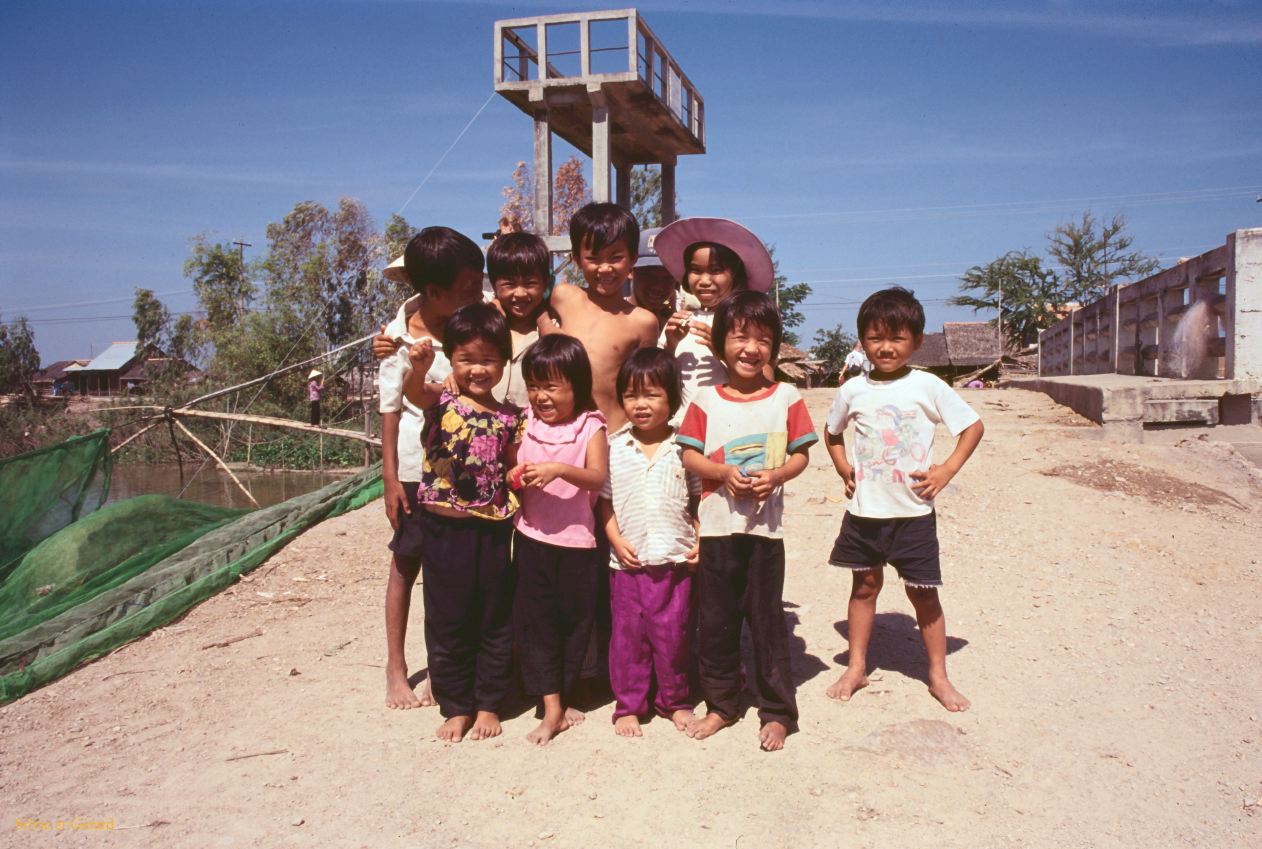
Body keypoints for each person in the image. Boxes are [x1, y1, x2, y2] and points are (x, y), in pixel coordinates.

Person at [823, 286, 984, 713]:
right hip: (865, 514)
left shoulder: (928, 385)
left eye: (897, 338)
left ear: (916, 341)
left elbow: (972, 427)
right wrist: (843, 468)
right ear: (862, 341)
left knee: (924, 594)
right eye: (875, 337)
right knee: (864, 587)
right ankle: (857, 666)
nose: (886, 347)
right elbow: (832, 432)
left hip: (913, 515)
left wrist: (946, 470)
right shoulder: (853, 390)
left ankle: (938, 676)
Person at [676, 291, 819, 752]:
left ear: (774, 347)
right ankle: (722, 704)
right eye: (740, 337)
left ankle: (778, 711)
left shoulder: (786, 396)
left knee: (766, 621)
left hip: (764, 534)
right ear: (721, 343)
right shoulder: (705, 399)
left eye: (763, 339)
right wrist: (722, 473)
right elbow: (689, 456)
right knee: (716, 622)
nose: (751, 348)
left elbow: (801, 454)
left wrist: (776, 476)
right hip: (718, 530)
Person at [400, 301, 525, 742]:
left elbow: (513, 468)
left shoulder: (512, 417)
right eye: (467, 359)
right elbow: (414, 394)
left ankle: (489, 702)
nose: (477, 369)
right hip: (441, 528)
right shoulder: (440, 398)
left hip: (492, 529)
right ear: (451, 359)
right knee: (447, 617)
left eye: (488, 359)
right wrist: (419, 369)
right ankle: (456, 706)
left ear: (504, 361)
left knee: (493, 615)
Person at [376, 227, 486, 711]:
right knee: (407, 563)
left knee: (453, 570)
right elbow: (390, 408)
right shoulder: (397, 338)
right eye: (468, 288)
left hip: (465, 470)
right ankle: (396, 667)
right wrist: (389, 478)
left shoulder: (477, 320)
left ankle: (447, 667)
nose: (478, 293)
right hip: (414, 468)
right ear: (434, 292)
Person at [508, 335, 609, 745]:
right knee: (537, 624)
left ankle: (563, 698)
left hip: (577, 544)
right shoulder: (525, 422)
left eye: (551, 386)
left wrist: (558, 470)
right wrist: (514, 476)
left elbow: (597, 478)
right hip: (531, 538)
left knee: (573, 624)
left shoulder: (591, 426)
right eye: (534, 386)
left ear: (576, 385)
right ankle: (551, 708)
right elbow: (511, 470)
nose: (541, 396)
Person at [597, 348, 700, 737]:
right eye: (631, 395)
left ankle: (675, 701)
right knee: (629, 638)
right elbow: (604, 502)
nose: (640, 405)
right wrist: (615, 539)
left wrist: (700, 538)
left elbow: (696, 499)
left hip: (675, 560)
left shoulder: (685, 447)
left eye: (652, 395)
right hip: (629, 564)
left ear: (672, 398)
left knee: (674, 635)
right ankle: (629, 706)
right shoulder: (614, 448)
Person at [542, 202, 660, 431]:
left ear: (633, 259)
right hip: (563, 432)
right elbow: (525, 312)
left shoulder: (643, 322)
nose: (605, 268)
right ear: (577, 259)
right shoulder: (563, 296)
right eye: (594, 258)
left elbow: (645, 383)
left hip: (614, 432)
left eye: (616, 257)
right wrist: (545, 326)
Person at [653, 217, 777, 420]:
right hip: (684, 429)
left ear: (735, 274)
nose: (704, 280)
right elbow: (657, 380)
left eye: (716, 270)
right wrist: (670, 347)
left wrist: (722, 351)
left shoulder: (747, 322)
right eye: (696, 270)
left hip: (731, 427)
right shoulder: (681, 321)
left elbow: (767, 379)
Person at [486, 231, 558, 408]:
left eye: (530, 283)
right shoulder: (482, 328)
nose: (520, 293)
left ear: (545, 284)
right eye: (509, 284)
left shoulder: (553, 331)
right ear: (494, 285)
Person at [627, 227, 677, 331]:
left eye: (668, 277)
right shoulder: (610, 320)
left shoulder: (686, 328)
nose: (658, 286)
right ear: (630, 271)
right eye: (648, 275)